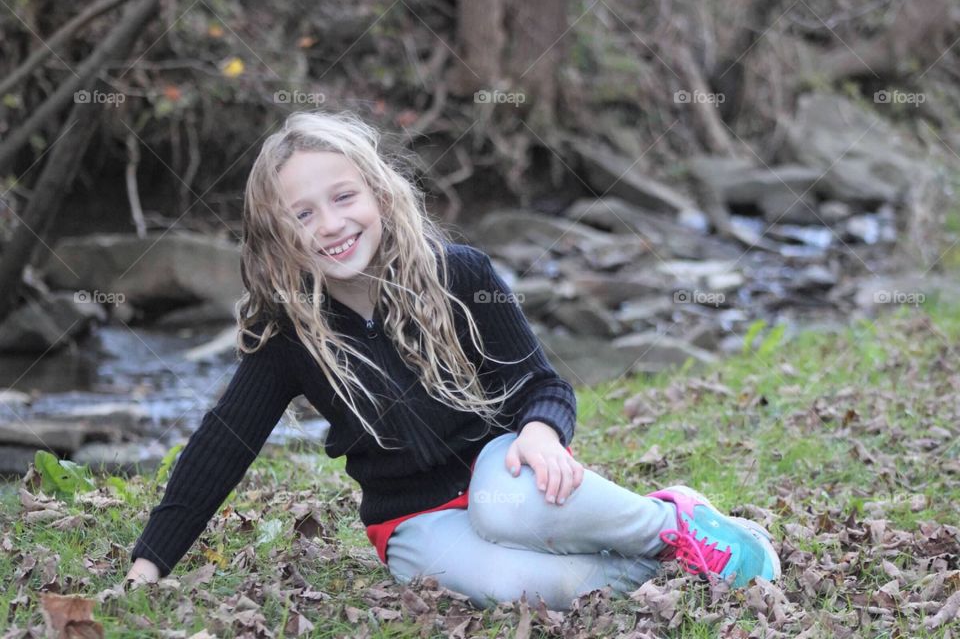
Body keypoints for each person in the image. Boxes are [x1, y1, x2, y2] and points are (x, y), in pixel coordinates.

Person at [125, 110, 780, 611]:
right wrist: (147, 567)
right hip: (410, 521)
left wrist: (541, 432)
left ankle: (673, 523)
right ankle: (659, 574)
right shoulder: (289, 338)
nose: (329, 224)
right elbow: (220, 447)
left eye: (344, 197)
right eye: (302, 214)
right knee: (512, 584)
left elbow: (540, 385)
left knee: (505, 512)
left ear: (380, 195)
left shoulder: (459, 274)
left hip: (504, 472)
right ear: (277, 238)